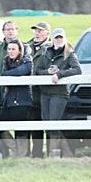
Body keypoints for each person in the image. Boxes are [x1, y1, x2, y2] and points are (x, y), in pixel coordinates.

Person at [33, 28, 81, 157]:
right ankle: (67, 153)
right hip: (45, 92)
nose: (59, 40)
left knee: (53, 123)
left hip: (60, 93)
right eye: (56, 37)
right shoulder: (46, 52)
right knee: (47, 123)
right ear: (53, 39)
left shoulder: (69, 53)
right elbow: (38, 70)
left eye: (61, 37)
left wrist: (60, 74)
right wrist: (47, 72)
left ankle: (52, 153)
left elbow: (77, 69)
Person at [0, 39, 34, 158]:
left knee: (21, 130)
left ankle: (22, 156)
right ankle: (15, 150)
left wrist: (5, 75)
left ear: (19, 50)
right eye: (9, 49)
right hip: (9, 100)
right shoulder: (6, 61)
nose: (11, 51)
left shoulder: (26, 60)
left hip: (22, 100)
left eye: (13, 49)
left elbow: (21, 71)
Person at [26, 21, 52, 157]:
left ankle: (51, 152)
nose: (37, 33)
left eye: (40, 31)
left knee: (48, 123)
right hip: (31, 92)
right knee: (34, 122)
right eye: (36, 30)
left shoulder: (52, 47)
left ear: (47, 33)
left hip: (47, 91)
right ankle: (36, 153)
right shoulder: (27, 47)